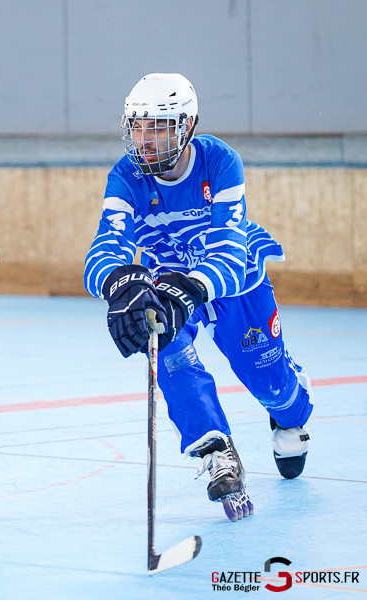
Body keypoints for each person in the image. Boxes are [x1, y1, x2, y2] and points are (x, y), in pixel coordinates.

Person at [83, 73, 313, 522]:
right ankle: (214, 447)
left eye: (159, 127)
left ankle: (291, 410)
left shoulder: (219, 161)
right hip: (167, 281)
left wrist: (190, 289)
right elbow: (103, 248)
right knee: (165, 347)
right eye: (138, 127)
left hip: (233, 282)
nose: (145, 140)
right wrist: (118, 284)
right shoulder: (126, 175)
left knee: (267, 380)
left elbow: (229, 249)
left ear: (187, 126)